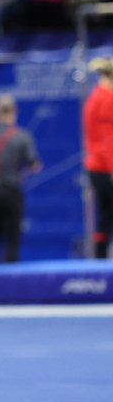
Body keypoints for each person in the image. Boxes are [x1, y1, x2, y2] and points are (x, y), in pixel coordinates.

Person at [0, 94, 41, 265]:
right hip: (11, 191)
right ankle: (12, 283)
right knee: (13, 239)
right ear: (15, 112)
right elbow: (33, 163)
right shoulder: (22, 136)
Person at [84, 58, 113, 259]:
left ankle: (100, 258)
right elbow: (107, 139)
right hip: (105, 167)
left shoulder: (95, 97)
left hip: (98, 165)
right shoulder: (106, 99)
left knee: (105, 214)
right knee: (106, 214)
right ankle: (101, 258)